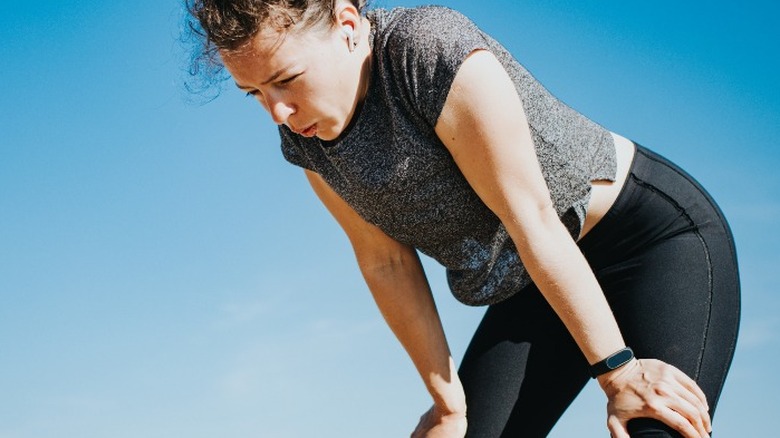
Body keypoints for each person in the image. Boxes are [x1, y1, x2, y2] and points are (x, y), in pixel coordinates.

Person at [185, 1, 740, 436]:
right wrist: (449, 403)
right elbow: (384, 262)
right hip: (533, 283)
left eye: (286, 79)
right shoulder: (306, 141)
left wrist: (619, 371)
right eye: (253, 93)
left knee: (657, 424)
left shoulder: (428, 50)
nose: (277, 112)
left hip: (646, 241)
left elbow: (532, 218)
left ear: (347, 23)